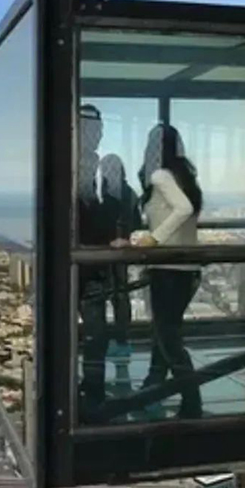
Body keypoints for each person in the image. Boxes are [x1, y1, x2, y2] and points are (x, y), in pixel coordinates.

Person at [133, 123, 203, 419]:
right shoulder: (183, 177)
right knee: (164, 335)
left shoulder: (160, 176)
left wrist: (154, 239)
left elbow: (183, 209)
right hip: (187, 270)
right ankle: (153, 388)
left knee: (168, 338)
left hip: (168, 270)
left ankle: (192, 402)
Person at [77, 104, 111, 421]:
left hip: (89, 260)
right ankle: (90, 391)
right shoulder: (74, 168)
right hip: (81, 260)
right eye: (91, 129)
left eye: (97, 129)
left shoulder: (92, 167)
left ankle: (92, 389)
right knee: (93, 332)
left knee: (95, 332)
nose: (96, 134)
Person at [100, 154, 142, 362]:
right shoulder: (129, 193)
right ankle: (122, 340)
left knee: (108, 295)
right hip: (122, 250)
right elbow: (137, 222)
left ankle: (112, 340)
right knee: (120, 296)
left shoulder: (108, 194)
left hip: (108, 251)